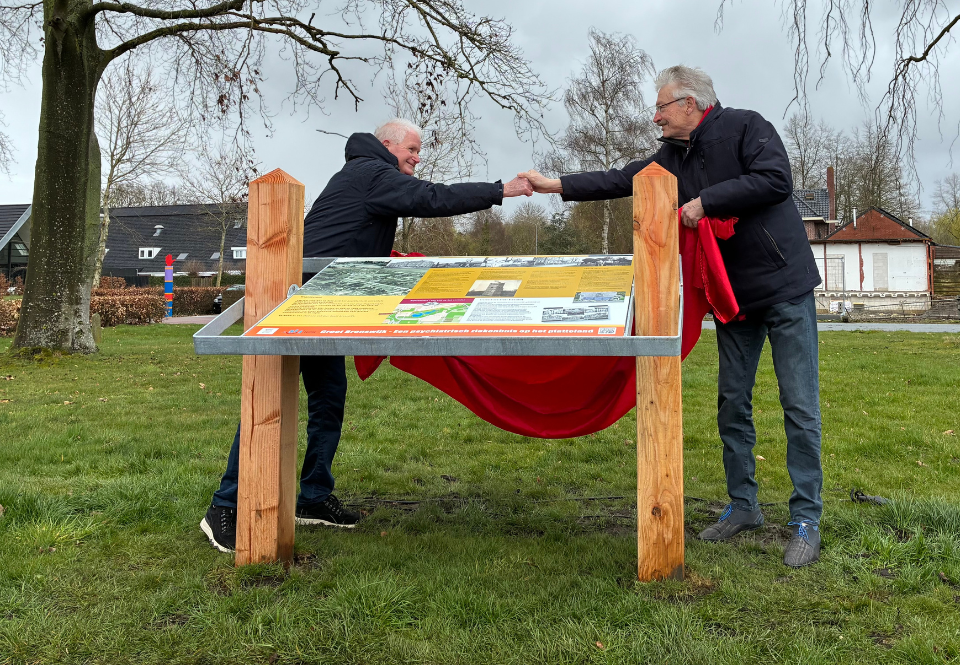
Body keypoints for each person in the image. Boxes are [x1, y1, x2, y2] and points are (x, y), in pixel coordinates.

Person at [519, 66, 824, 567]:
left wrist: (706, 202)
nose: (655, 117)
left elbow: (774, 181)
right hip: (732, 298)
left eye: (661, 106)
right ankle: (744, 506)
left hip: (785, 287)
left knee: (799, 405)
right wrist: (555, 184)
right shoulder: (670, 156)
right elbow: (622, 179)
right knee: (732, 404)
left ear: (690, 103)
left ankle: (806, 520)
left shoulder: (747, 126)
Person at [201, 118, 533, 553]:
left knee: (328, 399)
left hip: (325, 300)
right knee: (267, 400)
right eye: (412, 149)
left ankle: (313, 497)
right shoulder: (373, 172)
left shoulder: (362, 172)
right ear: (388, 144)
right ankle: (224, 507)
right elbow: (432, 198)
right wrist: (500, 190)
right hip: (304, 300)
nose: (417, 158)